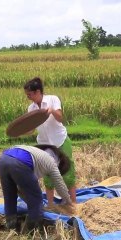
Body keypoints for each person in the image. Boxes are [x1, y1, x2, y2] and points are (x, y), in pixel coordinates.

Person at [23, 77, 77, 206]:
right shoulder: (31, 108)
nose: (28, 97)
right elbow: (31, 129)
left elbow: (60, 118)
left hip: (60, 140)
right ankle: (51, 205)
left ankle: (74, 203)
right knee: (47, 173)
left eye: (29, 94)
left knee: (67, 170)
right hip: (44, 144)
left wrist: (51, 111)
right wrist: (22, 130)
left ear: (37, 92)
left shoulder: (53, 99)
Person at [0, 144, 75, 231]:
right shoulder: (52, 163)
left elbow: (21, 188)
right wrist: (68, 201)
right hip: (20, 163)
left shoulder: (36, 153)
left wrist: (28, 199)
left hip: (2, 160)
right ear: (60, 166)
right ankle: (31, 231)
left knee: (9, 197)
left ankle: (11, 227)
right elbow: (60, 186)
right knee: (37, 200)